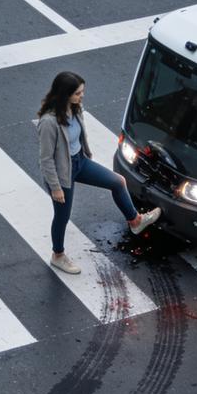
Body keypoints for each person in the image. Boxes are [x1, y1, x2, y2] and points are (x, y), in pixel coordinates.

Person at [37, 71, 161, 274]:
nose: (82, 96)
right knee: (62, 217)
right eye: (78, 93)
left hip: (80, 162)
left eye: (82, 92)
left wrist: (85, 154)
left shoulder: (75, 108)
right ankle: (57, 256)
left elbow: (79, 136)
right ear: (65, 94)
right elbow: (46, 160)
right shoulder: (49, 122)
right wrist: (55, 187)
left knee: (118, 182)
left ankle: (135, 221)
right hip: (62, 174)